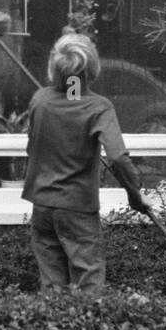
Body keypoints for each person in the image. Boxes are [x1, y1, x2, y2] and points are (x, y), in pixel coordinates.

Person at [22, 32, 151, 294]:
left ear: (53, 68)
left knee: (52, 286)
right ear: (92, 69)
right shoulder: (98, 107)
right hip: (77, 209)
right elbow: (116, 157)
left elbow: (32, 146)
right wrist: (135, 196)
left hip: (43, 205)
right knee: (88, 286)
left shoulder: (39, 100)